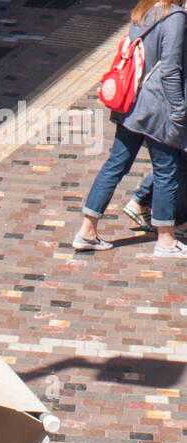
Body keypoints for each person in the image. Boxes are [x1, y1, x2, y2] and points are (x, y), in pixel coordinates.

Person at [73, 0, 187, 257]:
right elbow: (169, 69)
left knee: (115, 165)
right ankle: (166, 240)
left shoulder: (145, 9)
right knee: (167, 170)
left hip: (131, 103)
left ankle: (87, 231)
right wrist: (178, 112)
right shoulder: (175, 16)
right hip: (157, 108)